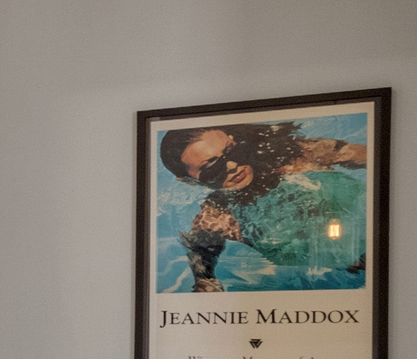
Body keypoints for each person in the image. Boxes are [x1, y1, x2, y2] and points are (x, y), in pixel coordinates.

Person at [158, 120, 369, 291]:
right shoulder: (217, 218)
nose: (233, 166)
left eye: (232, 152)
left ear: (234, 141)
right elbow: (203, 274)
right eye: (212, 167)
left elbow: (375, 158)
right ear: (188, 180)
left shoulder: (294, 153)